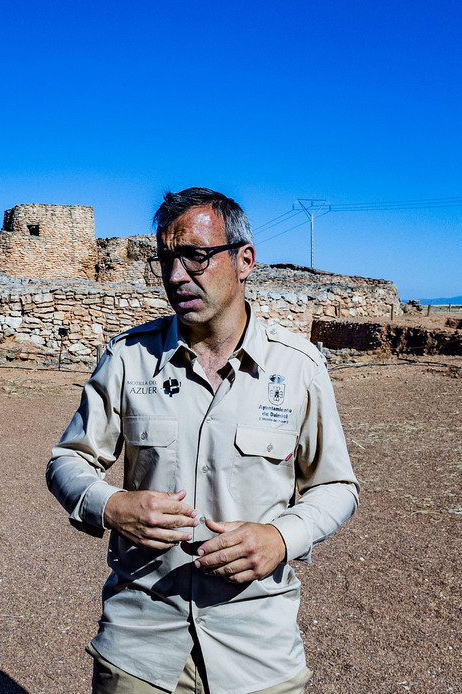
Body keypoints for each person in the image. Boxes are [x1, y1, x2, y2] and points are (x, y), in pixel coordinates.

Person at [46, 187, 359, 694]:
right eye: (166, 260)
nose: (175, 277)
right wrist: (112, 505)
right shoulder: (128, 359)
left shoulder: (298, 368)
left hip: (258, 654)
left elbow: (337, 486)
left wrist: (281, 539)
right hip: (139, 647)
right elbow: (67, 460)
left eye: (194, 256)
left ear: (245, 261)